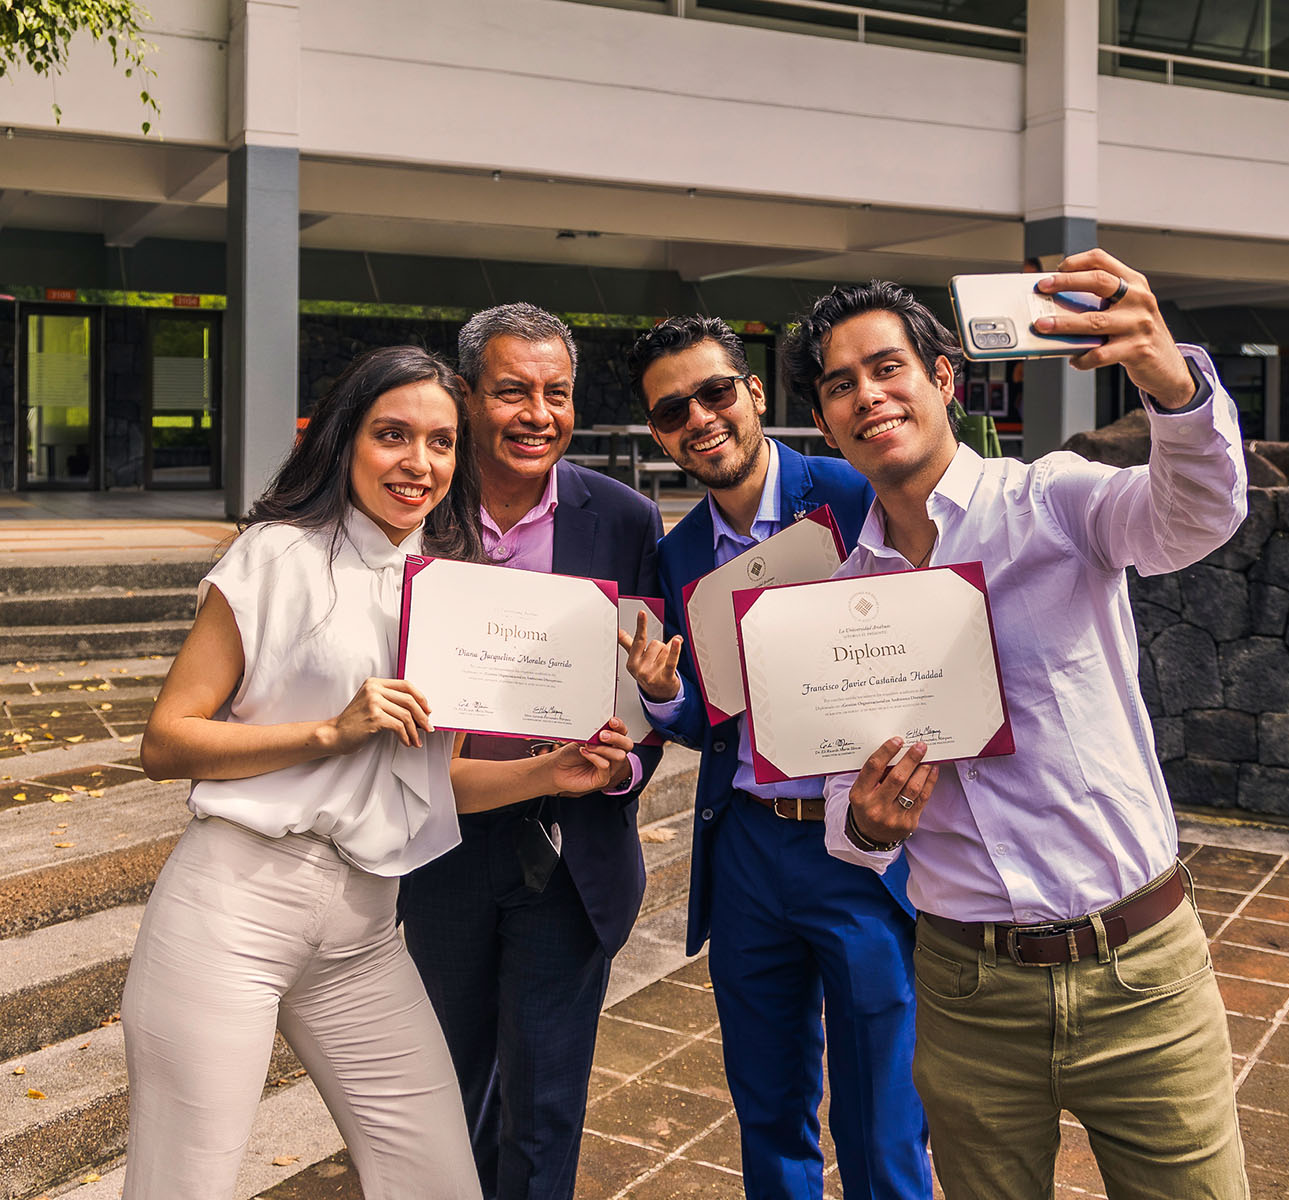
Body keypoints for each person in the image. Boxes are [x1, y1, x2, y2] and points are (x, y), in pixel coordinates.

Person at [126, 344, 637, 1200]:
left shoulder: (448, 588)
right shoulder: (276, 554)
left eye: (441, 442)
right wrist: (330, 730)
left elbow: (434, 783)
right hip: (233, 907)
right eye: (392, 435)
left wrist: (549, 774)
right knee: (186, 1184)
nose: (419, 463)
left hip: (363, 928)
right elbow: (166, 741)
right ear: (343, 439)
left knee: (438, 1180)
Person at [786, 259, 1250, 1200]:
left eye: (887, 368)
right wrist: (874, 823)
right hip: (967, 992)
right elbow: (844, 817)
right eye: (840, 386)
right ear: (826, 421)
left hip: (1141, 968)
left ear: (944, 379)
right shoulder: (840, 605)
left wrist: (1171, 381)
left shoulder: (1055, 501)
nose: (867, 397)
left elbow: (1195, 511)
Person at [617, 315, 931, 1199]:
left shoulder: (851, 489)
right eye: (674, 410)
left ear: (754, 393)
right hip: (749, 844)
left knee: (882, 1111)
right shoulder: (677, 553)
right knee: (766, 1102)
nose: (701, 419)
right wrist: (660, 692)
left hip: (860, 847)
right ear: (659, 432)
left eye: (716, 392)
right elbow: (703, 721)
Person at [398, 303, 665, 1200]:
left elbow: (651, 688)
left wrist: (626, 760)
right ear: (467, 397)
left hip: (571, 850)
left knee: (546, 1110)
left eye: (556, 394)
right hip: (437, 850)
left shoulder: (624, 519)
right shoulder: (414, 512)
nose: (536, 415)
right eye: (512, 392)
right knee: (441, 1094)